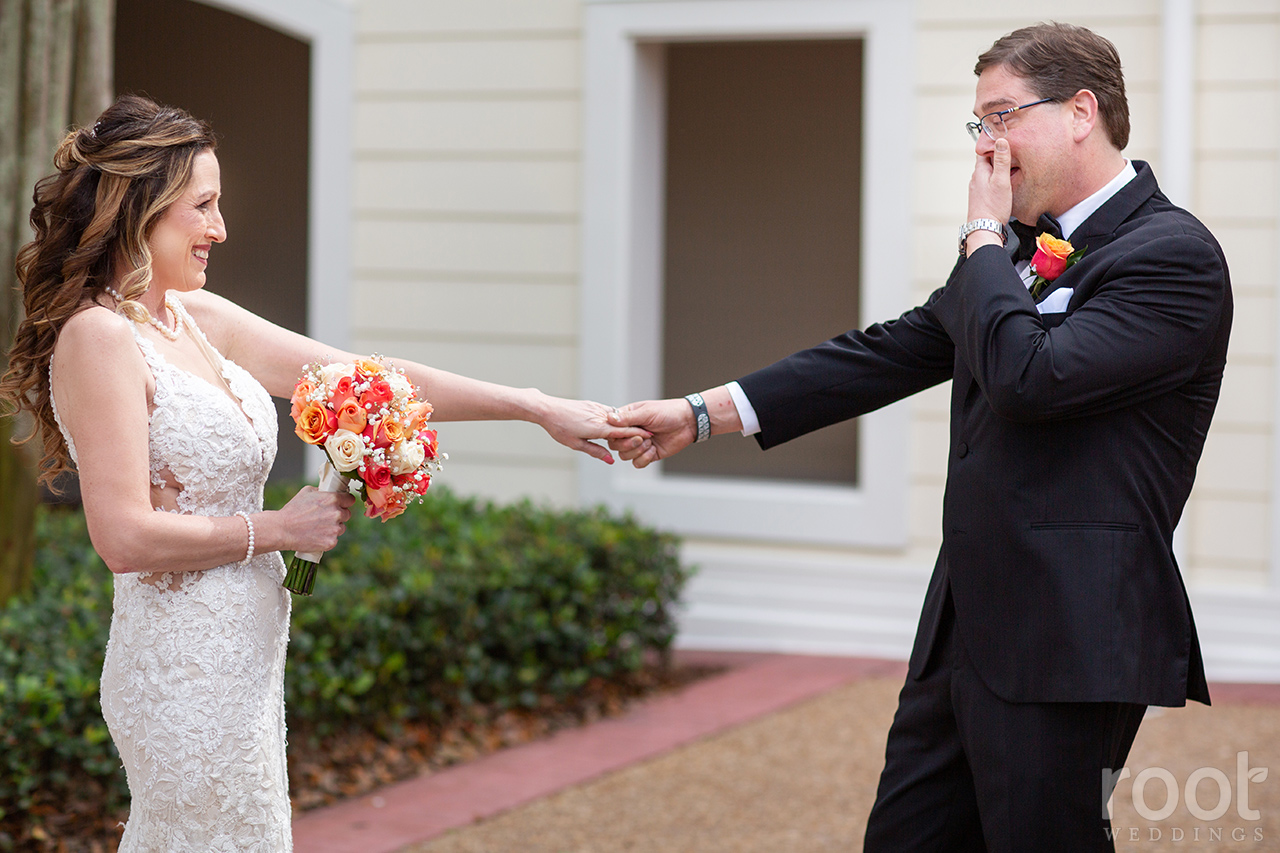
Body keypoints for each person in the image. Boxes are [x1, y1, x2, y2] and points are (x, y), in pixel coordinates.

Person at [608, 22, 1231, 851]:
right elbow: (891, 350)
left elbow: (1027, 378)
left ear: (1082, 111)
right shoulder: (1012, 254)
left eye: (1003, 116)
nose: (988, 145)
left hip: (1069, 636)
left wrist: (980, 233)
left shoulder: (1173, 257)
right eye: (979, 124)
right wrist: (699, 414)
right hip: (962, 624)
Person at [0, 94, 644, 852]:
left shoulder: (193, 319)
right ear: (143, 206)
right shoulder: (98, 339)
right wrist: (280, 528)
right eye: (203, 206)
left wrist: (535, 406)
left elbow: (368, 378)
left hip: (245, 662)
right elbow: (122, 536)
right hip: (181, 673)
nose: (220, 229)